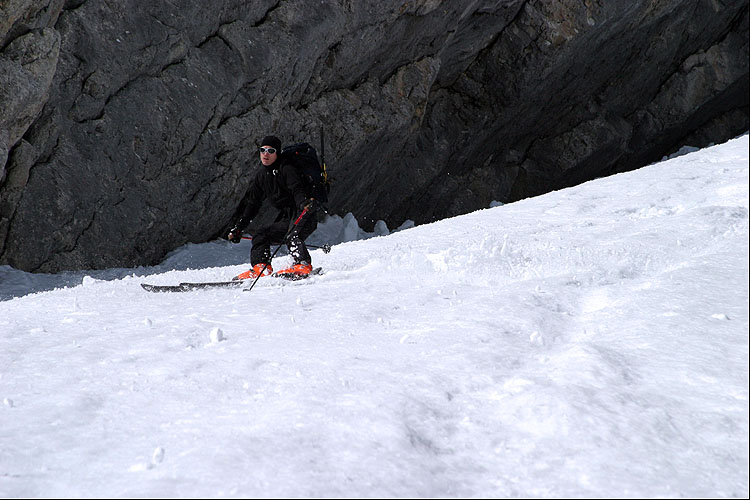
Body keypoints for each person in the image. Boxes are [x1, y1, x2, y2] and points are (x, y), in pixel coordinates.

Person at [227, 135, 317, 280]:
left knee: (292, 235)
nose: (265, 154)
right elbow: (253, 204)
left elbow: (297, 188)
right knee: (261, 235)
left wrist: (304, 203)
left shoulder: (287, 168)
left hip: (304, 211)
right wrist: (239, 228)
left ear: (277, 153)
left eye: (270, 151)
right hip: (287, 216)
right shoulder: (261, 176)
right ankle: (261, 268)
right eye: (262, 150)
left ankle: (303, 264)